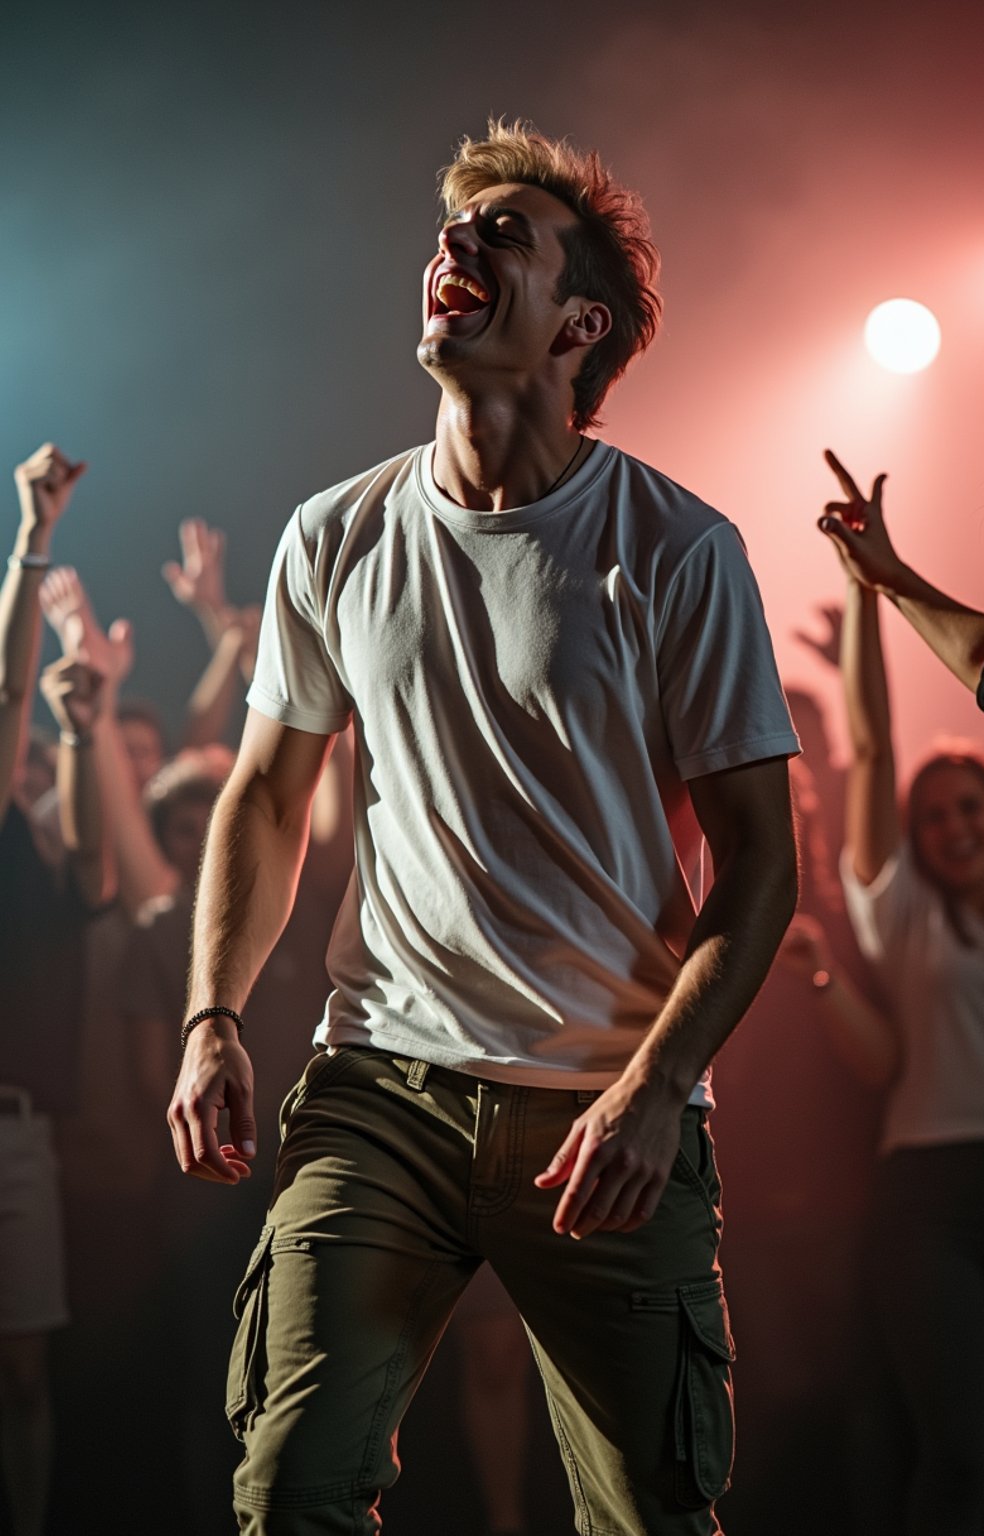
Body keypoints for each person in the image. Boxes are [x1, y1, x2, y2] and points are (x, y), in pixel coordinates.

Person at [167, 120, 799, 1536]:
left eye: (500, 235)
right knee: (292, 1490)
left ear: (581, 326)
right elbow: (269, 796)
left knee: (650, 1515)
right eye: (454, 232)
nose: (454, 247)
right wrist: (214, 1013)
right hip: (379, 1087)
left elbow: (763, 868)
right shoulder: (334, 534)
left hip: (605, 1107)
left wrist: (658, 1087)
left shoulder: (678, 551)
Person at [819, 454, 984, 1536]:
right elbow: (869, 745)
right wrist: (868, 593)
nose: (950, 827)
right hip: (929, 1204)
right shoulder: (900, 915)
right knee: (959, 1456)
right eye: (933, 815)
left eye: (967, 808)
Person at [0, 443, 112, 1536]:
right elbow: (5, 688)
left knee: (26, 1378)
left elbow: (99, 874)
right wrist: (32, 542)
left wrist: (84, 727)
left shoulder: (30, 843)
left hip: (18, 1138)